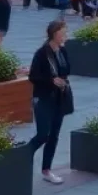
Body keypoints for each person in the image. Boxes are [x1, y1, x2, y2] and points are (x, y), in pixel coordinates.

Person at [27, 20, 72, 185]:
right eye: (63, 32)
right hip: (43, 98)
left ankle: (47, 170)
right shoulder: (42, 53)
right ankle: (24, 157)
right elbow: (33, 77)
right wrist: (51, 81)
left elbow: (67, 70)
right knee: (43, 135)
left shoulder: (63, 51)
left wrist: (61, 80)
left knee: (54, 136)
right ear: (55, 34)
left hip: (59, 98)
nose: (65, 35)